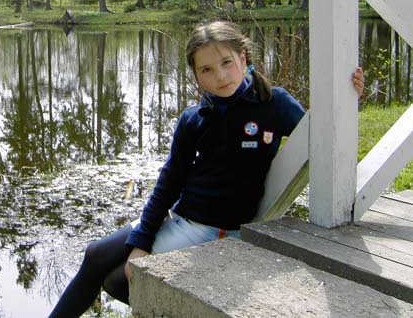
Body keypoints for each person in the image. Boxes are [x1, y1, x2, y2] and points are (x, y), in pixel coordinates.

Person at [48, 20, 365, 318]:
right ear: (196, 75)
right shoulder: (194, 118)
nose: (220, 76)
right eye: (207, 70)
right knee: (95, 255)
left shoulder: (274, 103)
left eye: (227, 62)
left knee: (118, 281)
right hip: (180, 215)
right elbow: (169, 182)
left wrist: (351, 100)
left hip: (215, 230)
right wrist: (141, 244)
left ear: (243, 58)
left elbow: (323, 139)